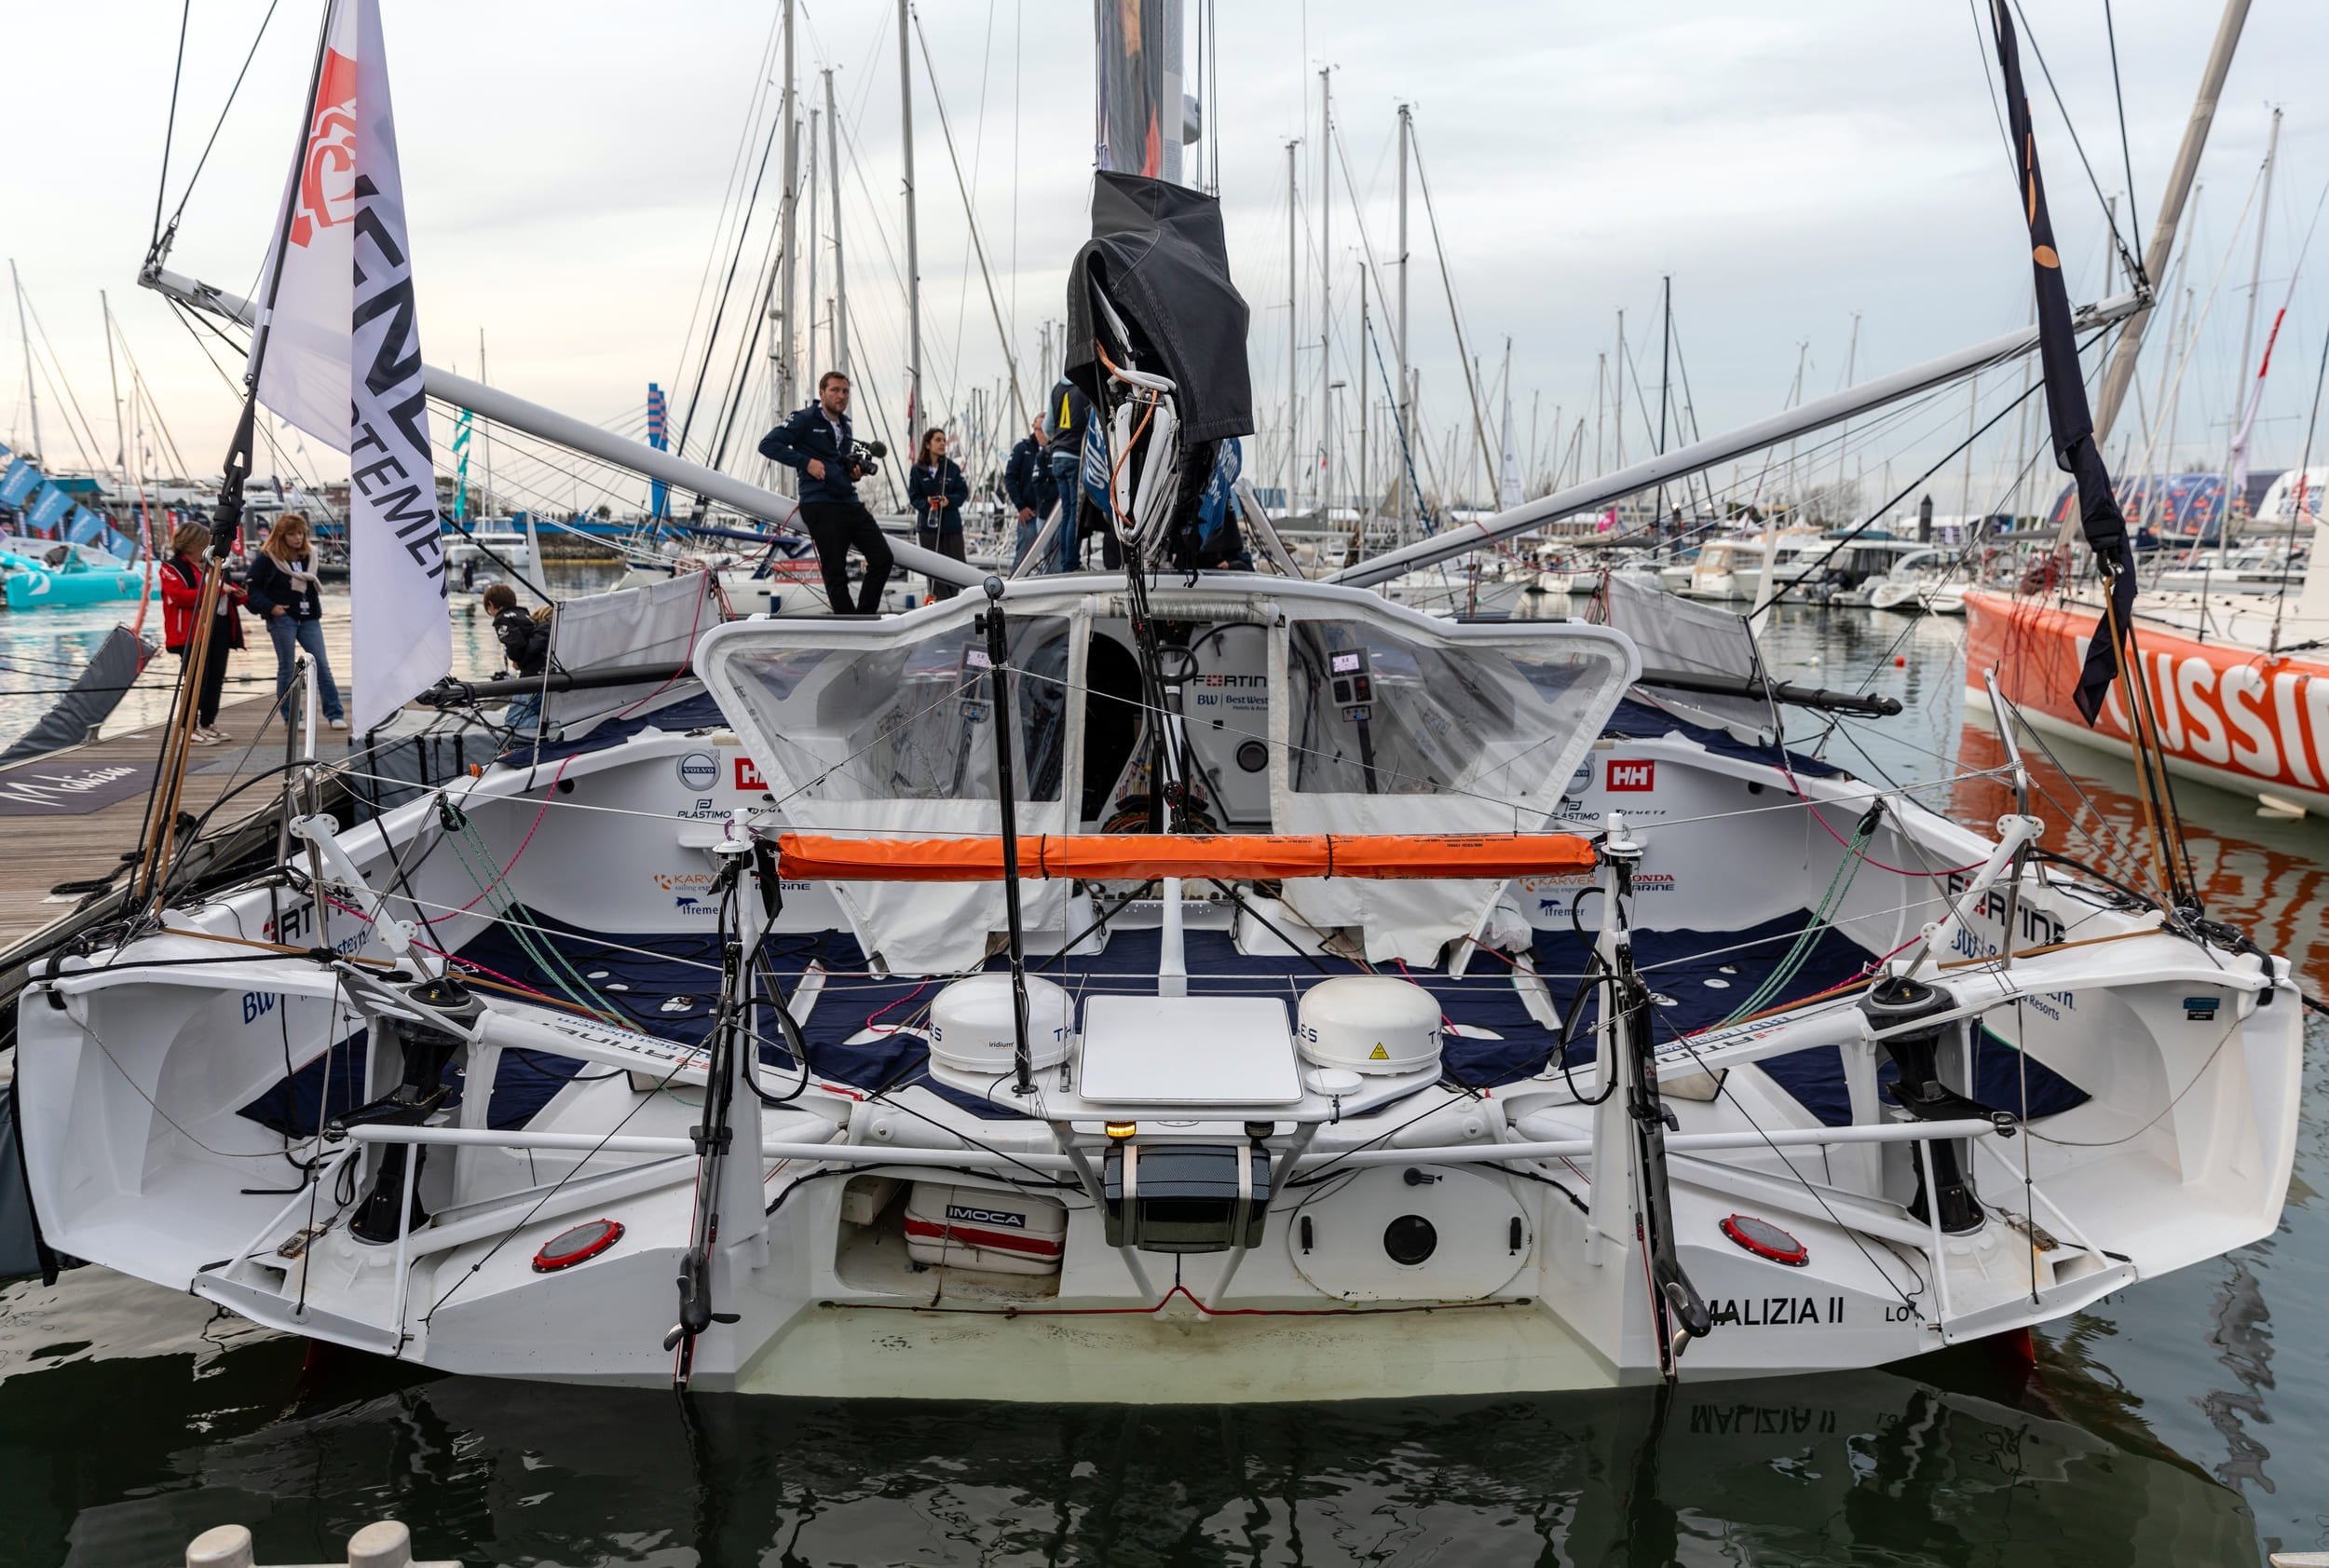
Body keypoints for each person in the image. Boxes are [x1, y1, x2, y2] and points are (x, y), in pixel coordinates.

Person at [757, 370, 892, 614]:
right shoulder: (804, 419)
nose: (841, 396)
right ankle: (852, 628)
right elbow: (768, 445)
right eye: (835, 390)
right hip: (820, 503)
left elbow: (838, 461)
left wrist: (852, 471)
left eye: (845, 391)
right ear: (822, 393)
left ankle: (863, 620)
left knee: (883, 558)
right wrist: (805, 462)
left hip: (848, 501)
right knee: (835, 572)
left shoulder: (845, 426)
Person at [244, 512, 347, 731]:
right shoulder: (268, 558)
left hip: (309, 616)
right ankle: (291, 716)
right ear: (281, 536)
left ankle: (334, 713)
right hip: (283, 618)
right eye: (292, 534)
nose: (298, 538)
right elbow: (251, 589)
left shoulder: (309, 556)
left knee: (322, 664)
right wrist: (272, 607)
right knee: (286, 667)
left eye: (300, 533)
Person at [157, 521, 246, 745]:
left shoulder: (215, 564)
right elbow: (182, 597)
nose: (205, 547)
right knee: (197, 679)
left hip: (220, 625)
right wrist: (217, 589)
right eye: (201, 544)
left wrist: (237, 594)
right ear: (189, 544)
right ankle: (189, 727)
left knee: (216, 678)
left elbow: (229, 592)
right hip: (192, 631)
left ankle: (207, 723)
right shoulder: (172, 567)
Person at [1044, 376, 1108, 573]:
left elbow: (1047, 427)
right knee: (1075, 511)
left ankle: (1066, 562)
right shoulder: (1085, 386)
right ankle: (1071, 563)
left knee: (1067, 512)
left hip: (1057, 455)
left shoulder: (1056, 389)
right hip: (1075, 455)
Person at [906, 428, 971, 602]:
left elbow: (963, 493)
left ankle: (958, 602)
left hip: (951, 527)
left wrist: (948, 501)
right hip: (928, 528)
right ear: (928, 444)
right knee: (934, 572)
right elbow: (913, 497)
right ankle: (942, 603)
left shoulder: (952, 468)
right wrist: (927, 504)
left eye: (944, 440)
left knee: (958, 567)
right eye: (938, 440)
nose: (943, 443)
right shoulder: (917, 470)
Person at [483, 582, 553, 735]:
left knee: (514, 721)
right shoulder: (525, 615)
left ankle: (551, 727)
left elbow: (516, 646)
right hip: (544, 674)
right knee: (536, 710)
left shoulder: (502, 619)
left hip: (530, 679)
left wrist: (516, 660)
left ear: (490, 605)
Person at [1005, 416, 1054, 567]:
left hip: (1049, 513)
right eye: (1039, 430)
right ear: (1033, 428)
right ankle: (1015, 590)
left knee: (1051, 558)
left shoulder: (1056, 450)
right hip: (1029, 513)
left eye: (1045, 430)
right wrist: (1020, 507)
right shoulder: (1022, 449)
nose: (1042, 434)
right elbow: (1010, 478)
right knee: (1023, 558)